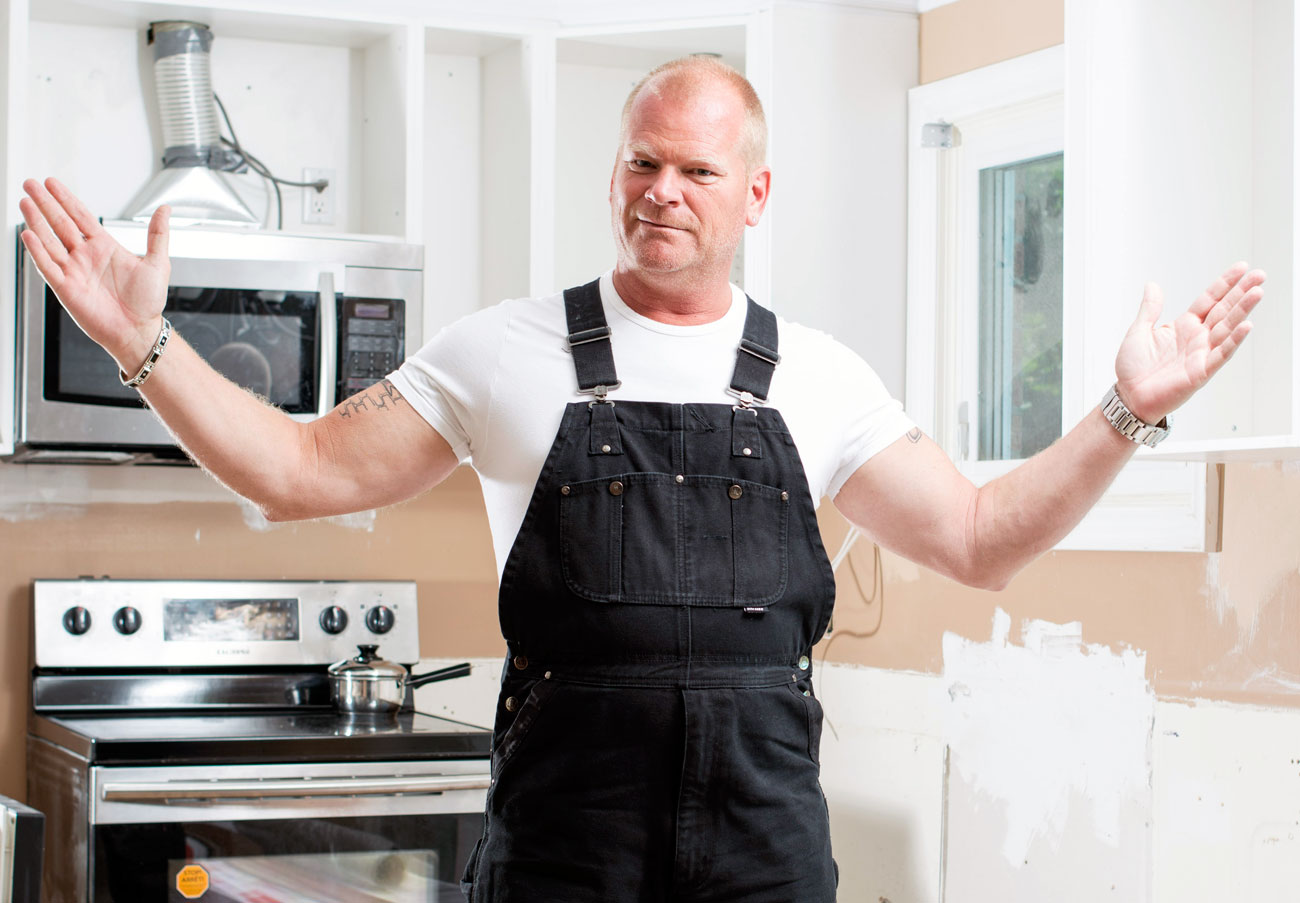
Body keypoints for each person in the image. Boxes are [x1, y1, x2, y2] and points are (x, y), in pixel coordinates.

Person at [20, 56, 1262, 903]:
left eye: (697, 172)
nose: (660, 192)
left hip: (764, 853)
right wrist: (143, 343)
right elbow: (294, 470)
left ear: (755, 195)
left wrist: (1123, 412)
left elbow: (982, 539)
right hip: (566, 852)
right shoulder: (503, 352)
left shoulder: (818, 377)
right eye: (639, 163)